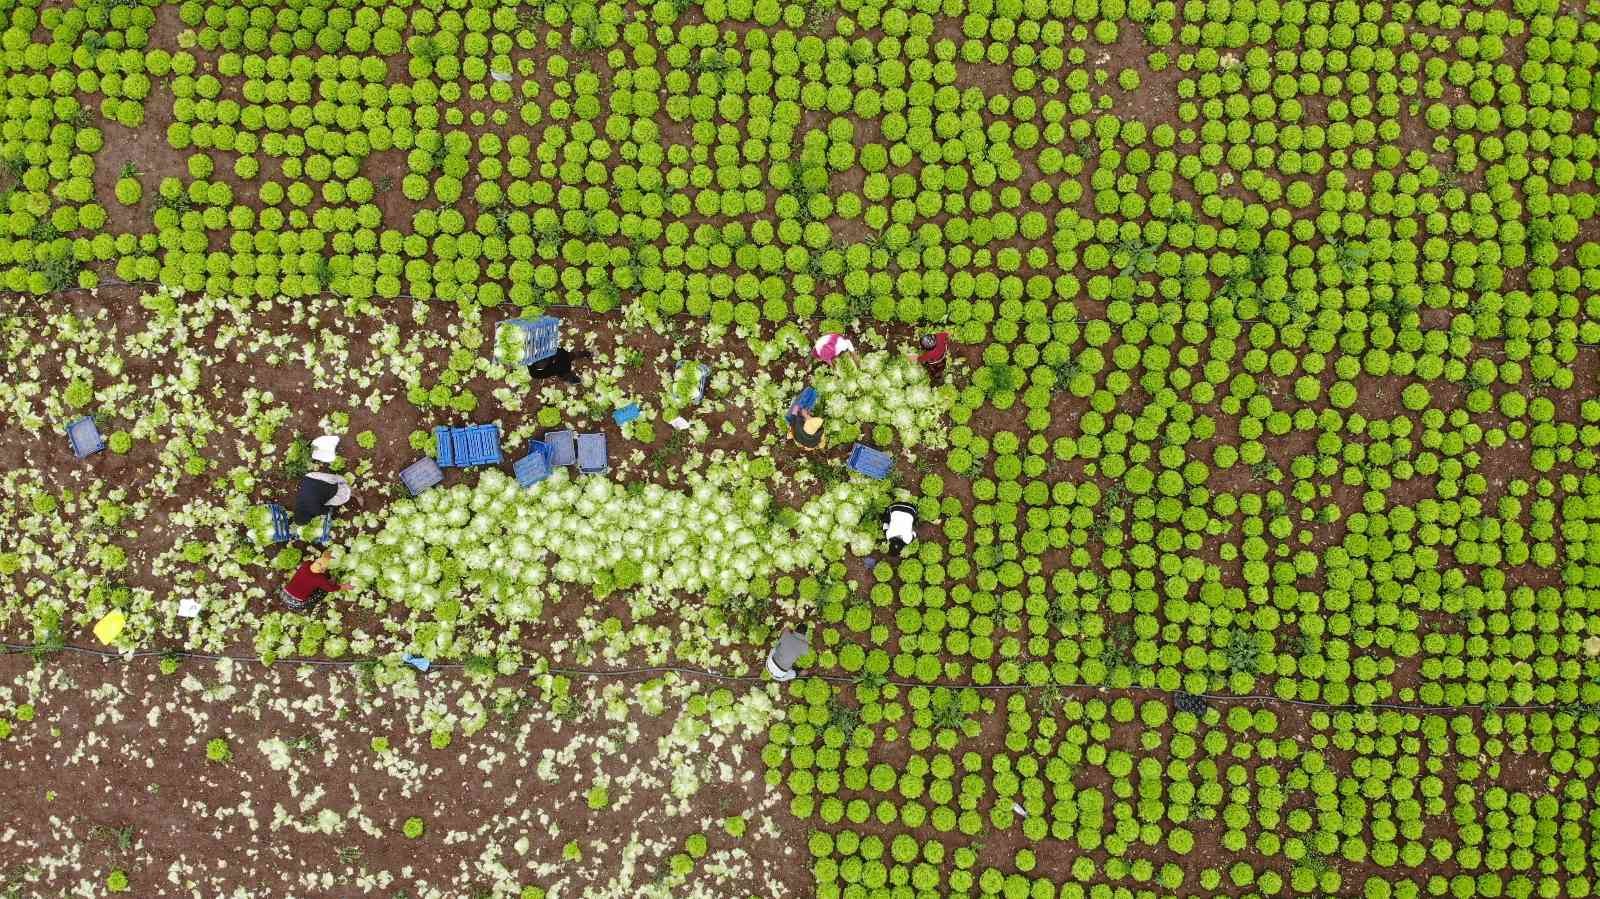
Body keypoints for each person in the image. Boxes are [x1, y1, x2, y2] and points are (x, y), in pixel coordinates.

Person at [293, 435, 352, 524]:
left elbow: (329, 511)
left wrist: (333, 515)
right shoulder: (298, 503)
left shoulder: (314, 510)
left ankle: (351, 491)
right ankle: (340, 480)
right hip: (311, 477)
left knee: (342, 496)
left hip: (328, 487)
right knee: (335, 481)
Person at [282, 550, 350, 611]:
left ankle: (290, 604)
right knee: (322, 592)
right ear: (323, 570)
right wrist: (343, 586)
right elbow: (331, 588)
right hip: (297, 602)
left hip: (284, 594)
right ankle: (298, 608)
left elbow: (320, 566)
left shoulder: (307, 563)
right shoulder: (320, 579)